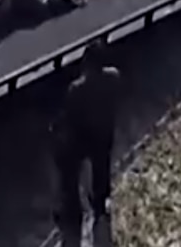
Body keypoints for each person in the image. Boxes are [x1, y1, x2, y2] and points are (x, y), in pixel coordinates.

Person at [51, 38, 120, 246]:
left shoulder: (77, 88)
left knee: (67, 165)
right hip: (104, 135)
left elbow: (69, 118)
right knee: (101, 165)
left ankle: (70, 206)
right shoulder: (114, 77)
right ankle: (100, 202)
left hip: (83, 138)